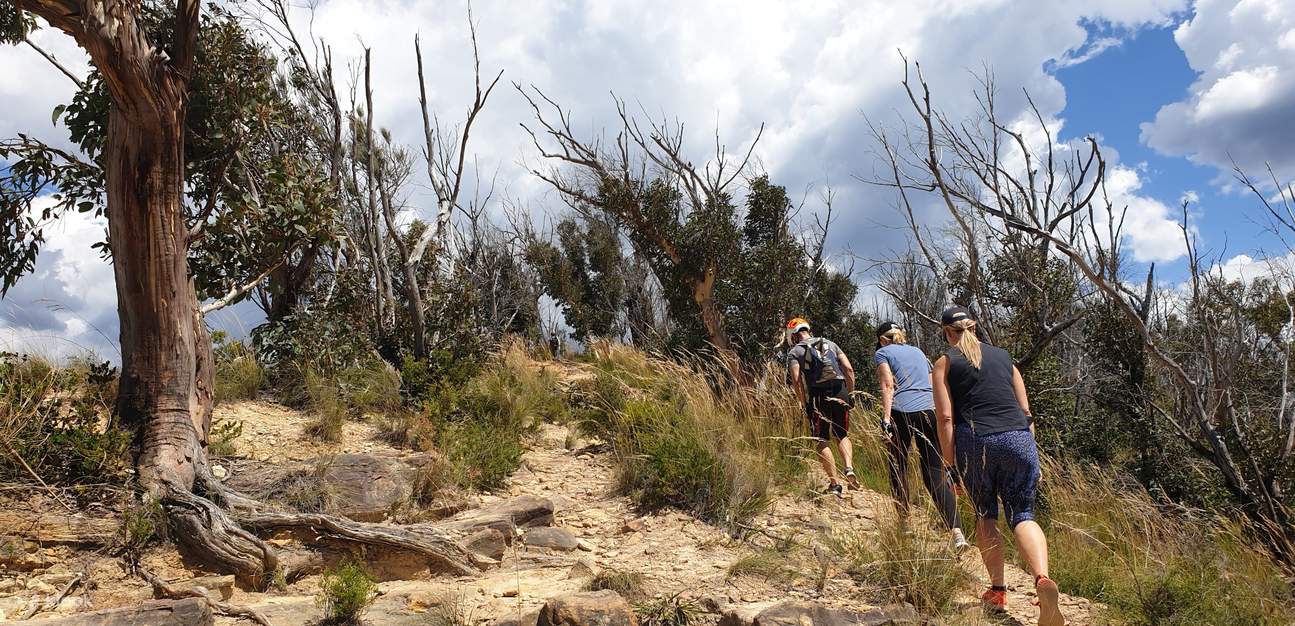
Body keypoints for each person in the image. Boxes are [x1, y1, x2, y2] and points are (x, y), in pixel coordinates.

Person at [932, 306, 1063, 626]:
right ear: (974, 328)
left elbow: (946, 418)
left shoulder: (945, 362)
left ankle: (998, 590)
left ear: (948, 333)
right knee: (1023, 514)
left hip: (976, 442)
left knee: (985, 513)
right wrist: (1031, 452)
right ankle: (1043, 579)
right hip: (1019, 438)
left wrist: (949, 465)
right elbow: (1026, 410)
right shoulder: (1006, 359)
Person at [873, 321, 969, 551]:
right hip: (930, 410)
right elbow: (932, 381)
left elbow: (888, 385)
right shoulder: (918, 351)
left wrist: (886, 419)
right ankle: (957, 532)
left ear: (883, 339)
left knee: (898, 464)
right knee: (934, 473)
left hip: (902, 411)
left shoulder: (882, 352)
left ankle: (903, 521)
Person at [785, 317, 857, 497]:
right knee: (842, 434)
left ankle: (834, 484)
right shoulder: (831, 343)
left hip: (818, 394)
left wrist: (804, 403)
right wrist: (851, 393)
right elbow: (848, 369)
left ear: (793, 336)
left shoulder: (795, 351)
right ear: (808, 329)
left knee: (822, 439)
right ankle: (849, 468)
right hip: (840, 389)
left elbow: (796, 379)